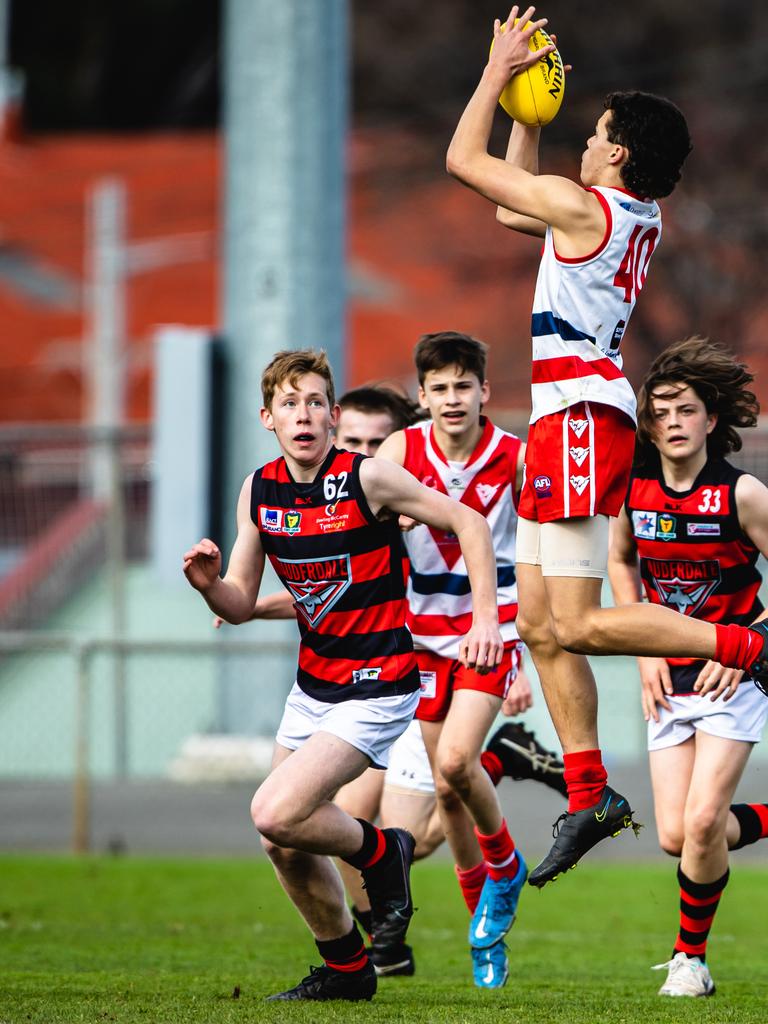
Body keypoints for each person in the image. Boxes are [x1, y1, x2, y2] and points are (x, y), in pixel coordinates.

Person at [445, 6, 768, 889]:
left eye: (592, 135)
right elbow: (520, 209)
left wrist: (497, 70)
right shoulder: (616, 213)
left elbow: (463, 167)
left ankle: (744, 648)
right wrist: (529, 115)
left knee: (579, 623)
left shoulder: (588, 208)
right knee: (543, 627)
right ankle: (588, 793)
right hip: (565, 422)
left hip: (584, 419)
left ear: (618, 154)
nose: (582, 145)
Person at [183, 349, 503, 1003]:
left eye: (315, 402)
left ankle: (384, 854)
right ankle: (348, 969)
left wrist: (488, 621)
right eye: (289, 404)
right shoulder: (260, 489)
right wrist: (209, 588)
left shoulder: (370, 479)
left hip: (380, 682)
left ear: (332, 415)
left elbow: (468, 521)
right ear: (267, 416)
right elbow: (242, 602)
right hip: (313, 688)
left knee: (273, 809)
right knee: (282, 842)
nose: (303, 414)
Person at [217, 382, 566, 980]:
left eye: (376, 443)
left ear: (401, 446)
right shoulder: (308, 502)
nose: (361, 452)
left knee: (411, 817)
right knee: (306, 828)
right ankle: (376, 952)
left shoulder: (395, 504)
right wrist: (234, 599)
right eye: (353, 440)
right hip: (339, 685)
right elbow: (317, 595)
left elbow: (491, 562)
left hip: (403, 677)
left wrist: (505, 652)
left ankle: (421, 893)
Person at [608, 338, 768, 997]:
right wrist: (643, 648)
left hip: (734, 676)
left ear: (710, 420)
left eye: (686, 409)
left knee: (705, 823)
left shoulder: (744, 492)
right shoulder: (634, 490)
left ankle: (689, 961)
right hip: (668, 681)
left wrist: (746, 644)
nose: (673, 421)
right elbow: (621, 563)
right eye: (661, 411)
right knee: (679, 835)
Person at [376, 331, 534, 988]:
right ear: (422, 396)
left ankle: (506, 866)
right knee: (446, 789)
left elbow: (540, 558)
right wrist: (395, 520)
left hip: (488, 637)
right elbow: (364, 526)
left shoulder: (516, 458)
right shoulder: (399, 452)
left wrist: (519, 643)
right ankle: (486, 924)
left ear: (484, 392)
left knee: (452, 762)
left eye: (462, 386)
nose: (451, 399)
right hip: (421, 645)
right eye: (438, 388)